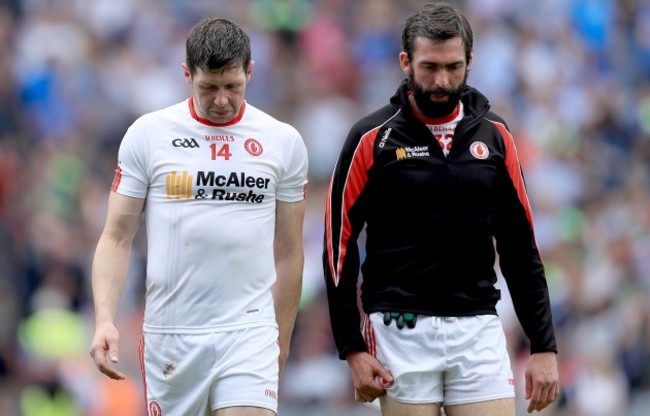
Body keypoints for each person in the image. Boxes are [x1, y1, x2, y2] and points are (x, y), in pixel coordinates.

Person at [322, 3, 559, 415]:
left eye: (453, 67)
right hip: (399, 330)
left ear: (470, 62)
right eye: (429, 66)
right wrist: (352, 348)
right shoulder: (370, 139)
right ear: (405, 62)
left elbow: (521, 247)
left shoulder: (497, 137)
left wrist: (544, 346)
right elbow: (337, 246)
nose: (441, 80)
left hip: (478, 327)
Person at [89, 17, 309, 416]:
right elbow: (116, 238)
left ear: (250, 71)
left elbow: (290, 250)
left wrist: (281, 336)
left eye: (233, 87)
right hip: (172, 336)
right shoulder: (149, 134)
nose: (221, 100)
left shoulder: (283, 141)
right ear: (187, 74)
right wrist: (105, 318)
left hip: (249, 331)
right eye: (208, 87)